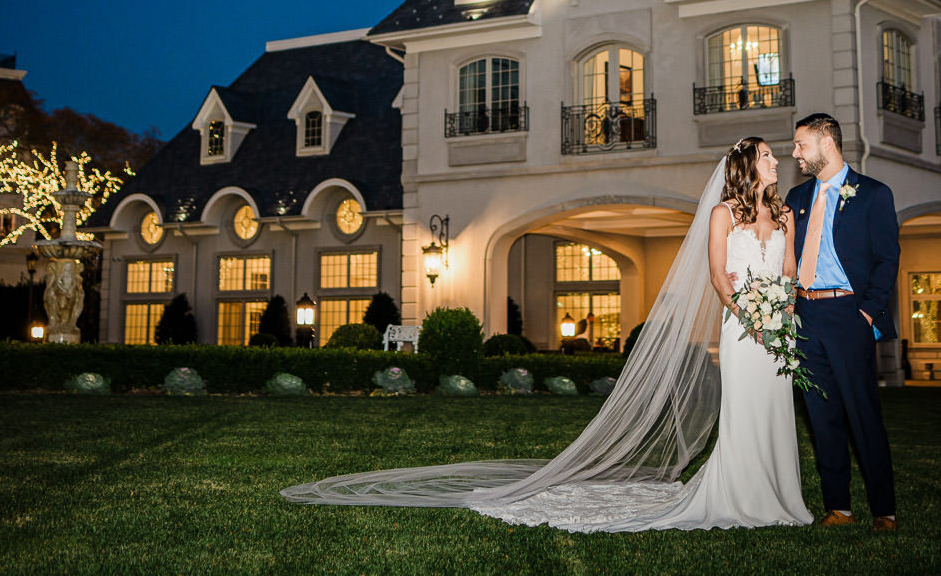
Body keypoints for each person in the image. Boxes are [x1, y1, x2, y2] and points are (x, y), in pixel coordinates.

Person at [282, 137, 813, 532]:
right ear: (748, 165)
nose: (776, 161)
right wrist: (749, 317)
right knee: (744, 412)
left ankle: (780, 496)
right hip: (743, 331)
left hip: (777, 331)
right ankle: (741, 495)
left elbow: (788, 270)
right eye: (768, 156)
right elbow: (719, 277)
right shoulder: (723, 214)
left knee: (775, 411)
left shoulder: (784, 214)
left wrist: (783, 312)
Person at [787, 113, 900, 532]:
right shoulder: (797, 197)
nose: (795, 153)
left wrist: (866, 313)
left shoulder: (873, 194)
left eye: (801, 144)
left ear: (827, 144)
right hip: (805, 315)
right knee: (821, 417)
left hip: (848, 313)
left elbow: (888, 259)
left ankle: (884, 511)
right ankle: (839, 506)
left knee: (862, 414)